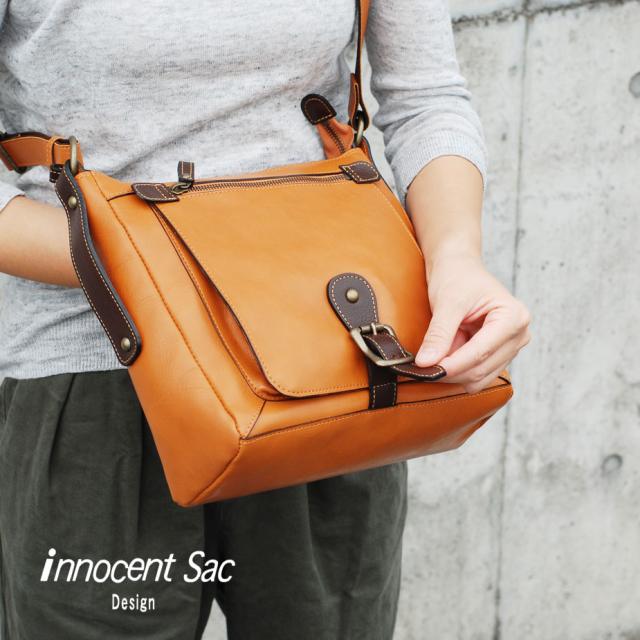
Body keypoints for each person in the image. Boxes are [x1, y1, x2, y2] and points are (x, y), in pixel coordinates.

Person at [0, 1, 530, 639]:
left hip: (330, 359)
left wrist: (456, 261)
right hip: (96, 376)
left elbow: (425, 97)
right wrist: (176, 269)